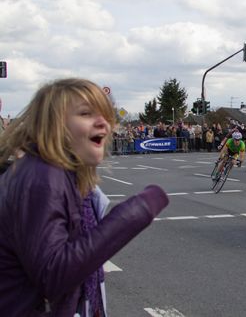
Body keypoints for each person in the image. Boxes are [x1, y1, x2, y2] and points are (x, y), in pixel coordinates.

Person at [0, 78, 169, 316]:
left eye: (106, 115)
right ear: (54, 124)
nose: (104, 123)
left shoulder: (57, 174)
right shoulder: (42, 178)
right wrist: (134, 213)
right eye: (86, 113)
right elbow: (53, 275)